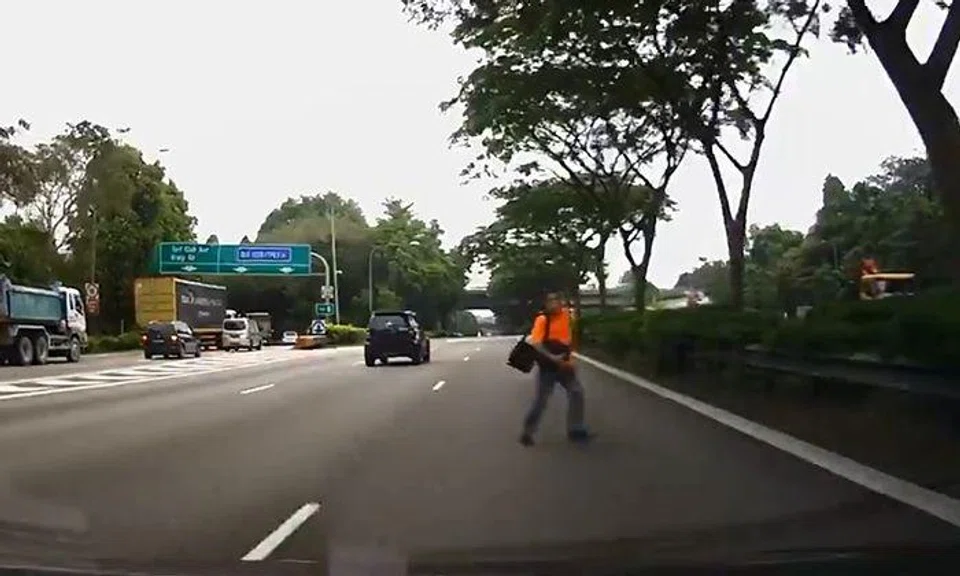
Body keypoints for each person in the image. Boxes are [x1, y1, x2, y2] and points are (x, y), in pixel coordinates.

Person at [519, 291, 590, 446]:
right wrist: (552, 357)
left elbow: (571, 336)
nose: (555, 303)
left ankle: (575, 429)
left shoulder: (567, 316)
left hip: (566, 366)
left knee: (577, 393)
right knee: (541, 401)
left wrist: (570, 357)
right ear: (546, 304)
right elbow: (536, 343)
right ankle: (528, 431)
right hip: (548, 367)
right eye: (551, 301)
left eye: (557, 300)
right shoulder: (542, 320)